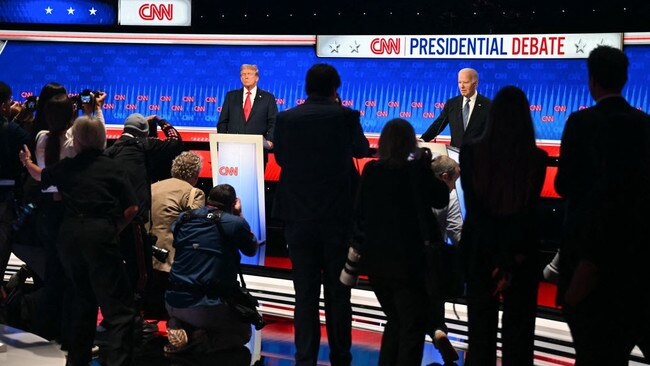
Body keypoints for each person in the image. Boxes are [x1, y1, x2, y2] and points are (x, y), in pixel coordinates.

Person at [555, 45, 650, 365]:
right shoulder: (645, 125)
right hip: (634, 265)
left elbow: (564, 185)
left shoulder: (581, 123)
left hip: (586, 264)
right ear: (624, 78)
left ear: (592, 80)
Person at [20, 116, 138, 366]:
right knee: (119, 309)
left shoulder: (68, 166)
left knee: (80, 301)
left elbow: (41, 176)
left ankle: (77, 359)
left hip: (70, 235)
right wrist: (113, 229)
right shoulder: (113, 167)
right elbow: (132, 208)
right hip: (100, 233)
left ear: (78, 140)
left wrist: (27, 162)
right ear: (102, 138)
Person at [272, 63, 369, 366]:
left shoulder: (286, 118)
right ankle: (341, 358)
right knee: (339, 295)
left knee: (305, 295)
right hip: (337, 218)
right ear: (335, 89)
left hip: (298, 216)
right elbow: (361, 150)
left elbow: (282, 158)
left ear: (306, 87)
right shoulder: (346, 116)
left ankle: (305, 359)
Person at [459, 86, 547, 365]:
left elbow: (476, 212)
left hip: (480, 253)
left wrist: (493, 258)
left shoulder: (471, 153)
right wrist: (508, 260)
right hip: (521, 256)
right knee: (519, 341)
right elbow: (527, 216)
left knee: (480, 337)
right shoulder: (537, 159)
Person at [355, 118, 450, 365]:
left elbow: (360, 212)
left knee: (397, 321)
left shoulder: (372, 170)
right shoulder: (415, 171)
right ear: (410, 142)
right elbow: (440, 198)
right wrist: (425, 165)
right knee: (411, 327)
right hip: (409, 264)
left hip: (376, 264)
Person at [104, 113, 183, 319]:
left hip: (111, 221)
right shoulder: (143, 145)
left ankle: (117, 312)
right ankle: (135, 316)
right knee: (141, 271)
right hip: (133, 220)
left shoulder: (109, 151)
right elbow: (175, 141)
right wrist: (162, 122)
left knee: (115, 267)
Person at [165, 184, 258, 354]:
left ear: (208, 200)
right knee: (243, 334)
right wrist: (238, 214)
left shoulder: (184, 218)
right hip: (205, 306)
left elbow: (178, 236)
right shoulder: (235, 223)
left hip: (172, 301)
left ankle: (177, 324)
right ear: (232, 204)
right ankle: (195, 340)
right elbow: (252, 249)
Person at [147, 151, 205, 316]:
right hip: (174, 263)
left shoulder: (152, 187)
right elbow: (196, 226)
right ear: (195, 175)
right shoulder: (194, 193)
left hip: (146, 256)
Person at [0, 81, 30, 285]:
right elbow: (35, 144)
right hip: (4, 197)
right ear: (3, 105)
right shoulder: (11, 130)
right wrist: (22, 119)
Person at [421, 68, 491, 148]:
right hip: (456, 154)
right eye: (459, 82)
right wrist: (423, 139)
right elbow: (438, 125)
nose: (462, 86)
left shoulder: (488, 105)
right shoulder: (452, 104)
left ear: (475, 84)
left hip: (478, 154)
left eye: (465, 82)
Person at [217, 64, 278, 151]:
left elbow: (273, 122)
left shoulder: (268, 98)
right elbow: (222, 122)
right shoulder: (231, 96)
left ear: (257, 78)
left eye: (249, 74)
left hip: (258, 148)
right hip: (233, 148)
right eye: (243, 74)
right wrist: (223, 142)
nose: (246, 77)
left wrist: (270, 140)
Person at [431, 155, 463, 246]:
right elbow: (457, 238)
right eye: (455, 181)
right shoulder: (450, 199)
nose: (455, 188)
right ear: (445, 177)